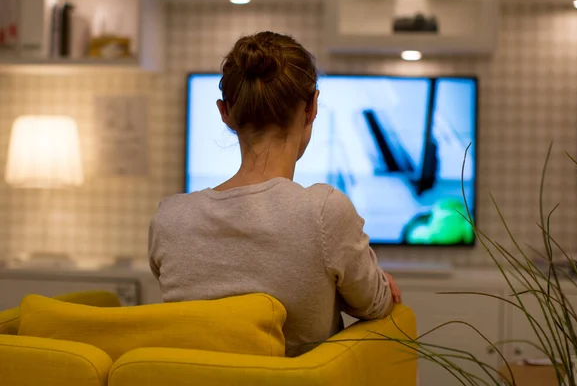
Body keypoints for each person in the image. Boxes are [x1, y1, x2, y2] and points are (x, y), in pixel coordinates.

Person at [148, 31, 401, 357]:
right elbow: (377, 305)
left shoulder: (168, 219)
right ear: (311, 107)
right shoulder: (325, 211)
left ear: (225, 112)